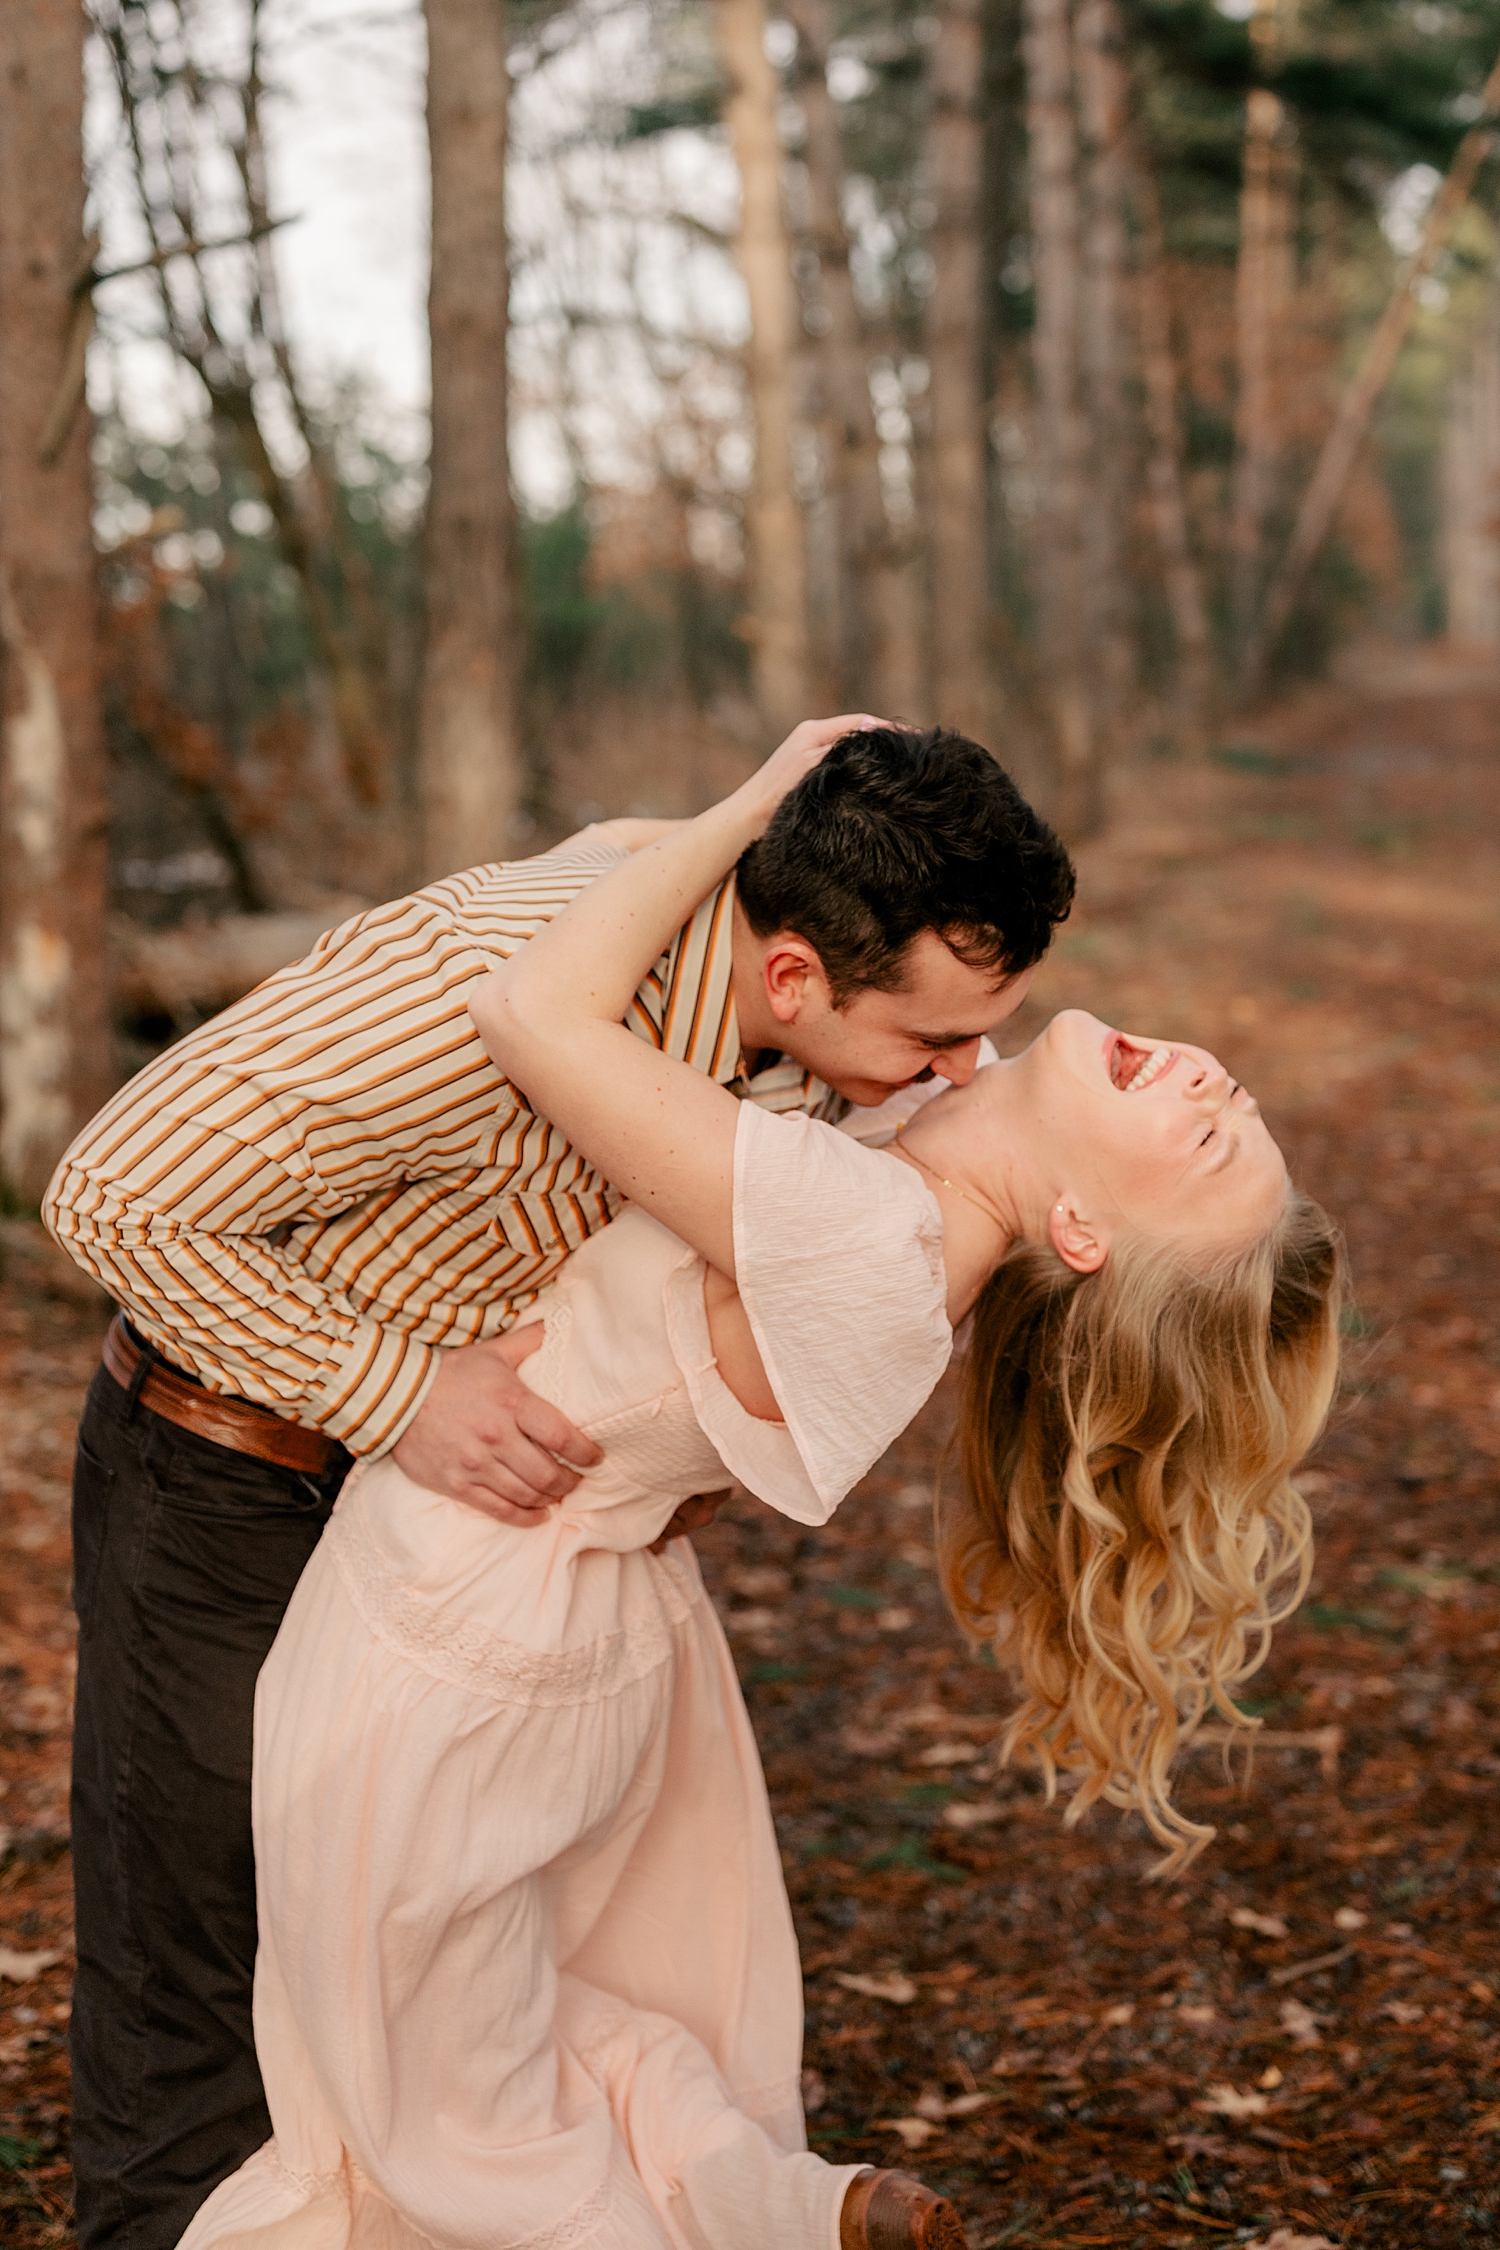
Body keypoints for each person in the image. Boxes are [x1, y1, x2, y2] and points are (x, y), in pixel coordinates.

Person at [171, 735, 1344, 2250]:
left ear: (1083, 1228)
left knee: (418, 2130)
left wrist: (760, 804)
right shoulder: (925, 1153)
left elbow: (531, 1008)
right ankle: (780, 2206)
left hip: (452, 1634)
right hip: (569, 1616)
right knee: (502, 2025)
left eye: (1204, 1136)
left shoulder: (866, 1237)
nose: (1209, 1078)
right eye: (1232, 1096)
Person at [43, 720, 1076, 2250]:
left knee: (403, 1992)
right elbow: (112, 1193)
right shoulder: (476, 985)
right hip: (229, 1475)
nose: (957, 1074)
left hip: (457, 1547)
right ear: (793, 975)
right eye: (932, 1044)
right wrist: (397, 1392)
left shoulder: (785, 1031)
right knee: (203, 1973)